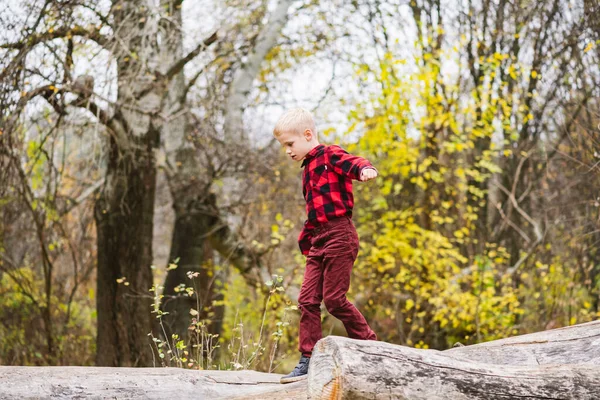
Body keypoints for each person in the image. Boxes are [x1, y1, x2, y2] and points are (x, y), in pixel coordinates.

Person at [273, 108, 378, 384]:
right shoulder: (307, 169)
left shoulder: (330, 155)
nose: (287, 151)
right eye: (284, 146)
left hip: (340, 235)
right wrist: (307, 238)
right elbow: (314, 211)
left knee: (334, 300)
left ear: (308, 135)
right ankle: (308, 359)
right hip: (318, 240)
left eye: (289, 144)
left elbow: (353, 162)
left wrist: (365, 169)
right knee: (306, 300)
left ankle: (370, 345)